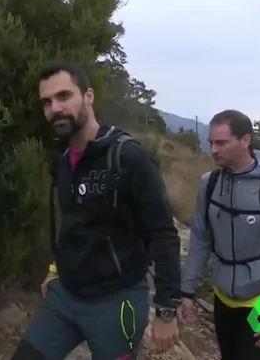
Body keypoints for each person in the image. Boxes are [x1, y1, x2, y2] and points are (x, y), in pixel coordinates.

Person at [12, 62, 182, 359]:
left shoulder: (129, 157)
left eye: (64, 96)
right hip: (66, 296)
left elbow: (163, 234)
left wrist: (167, 311)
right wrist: (55, 268)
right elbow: (73, 223)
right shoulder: (63, 160)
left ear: (88, 96)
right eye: (47, 102)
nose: (55, 108)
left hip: (117, 303)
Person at [178, 109, 260, 360]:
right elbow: (201, 240)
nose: (214, 150)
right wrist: (187, 292)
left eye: (222, 143)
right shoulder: (210, 183)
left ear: (245, 140)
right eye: (211, 143)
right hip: (223, 300)